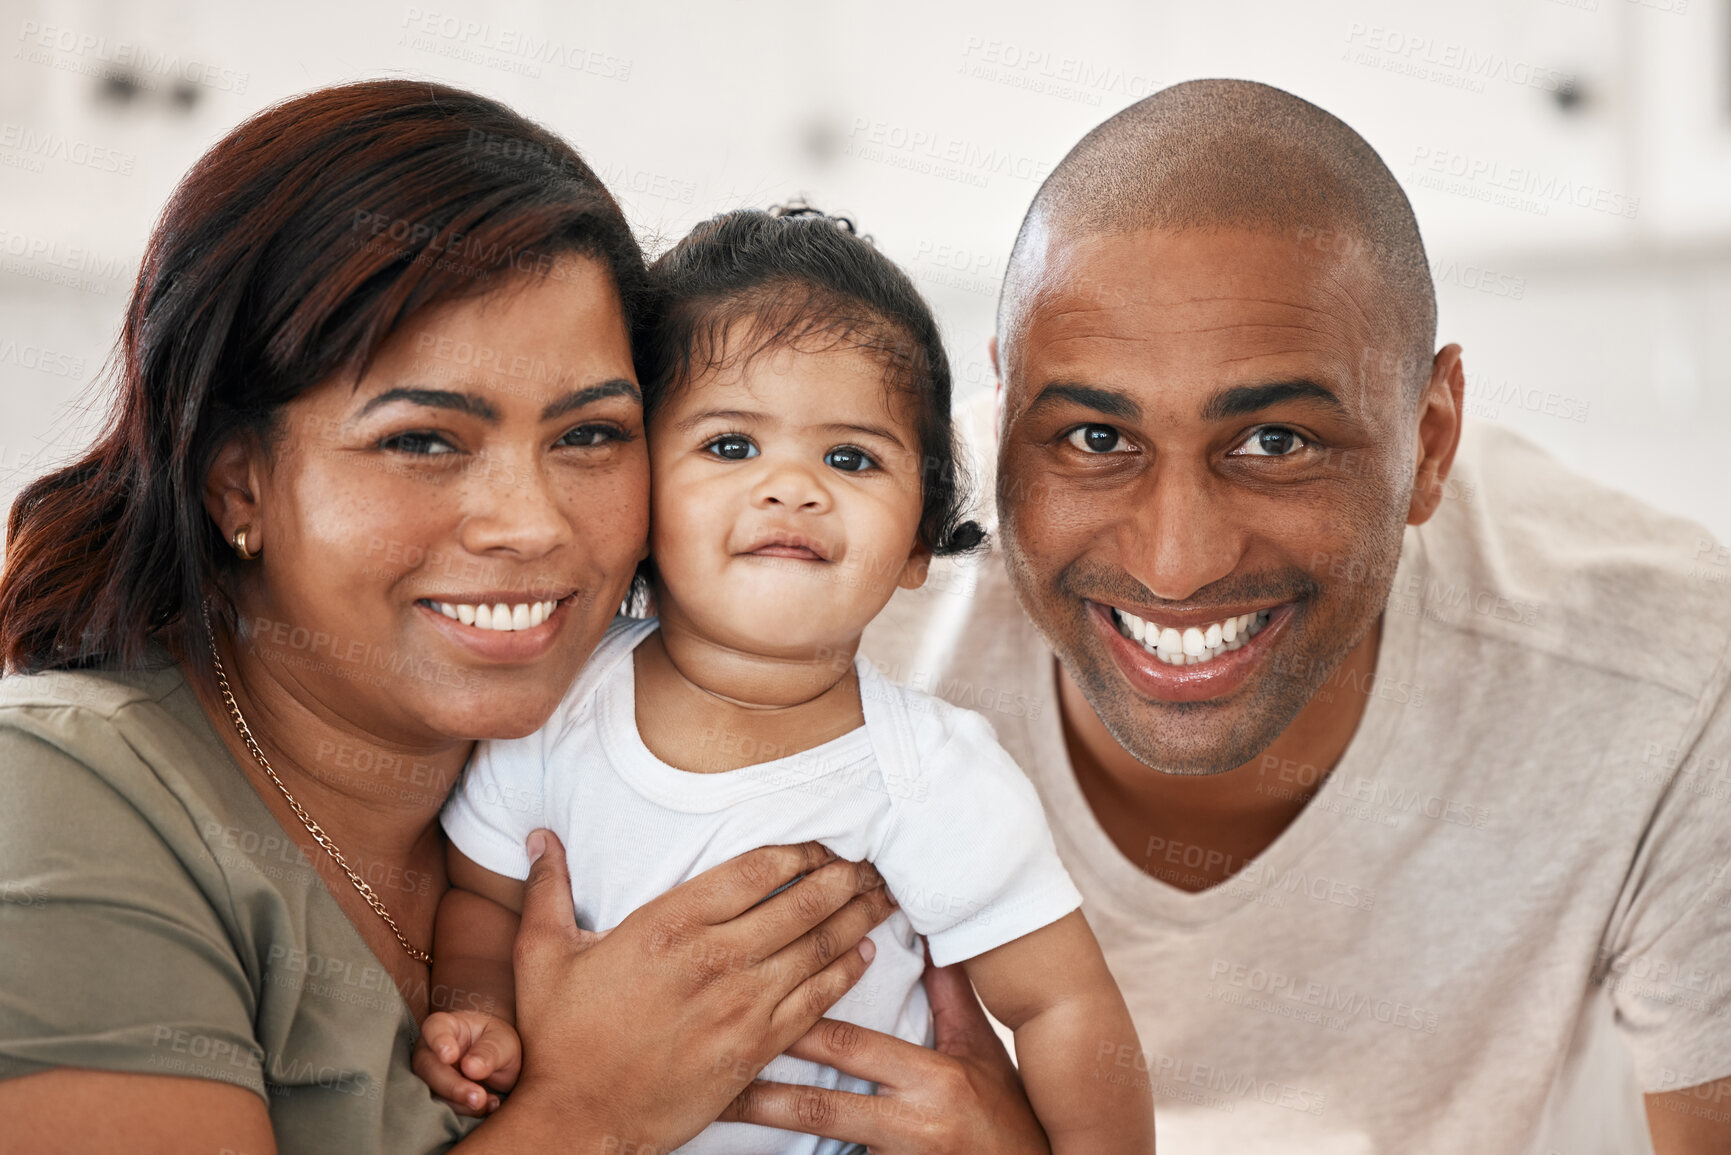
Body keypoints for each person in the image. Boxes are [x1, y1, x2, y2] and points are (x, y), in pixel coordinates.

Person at [0, 81, 1050, 1155]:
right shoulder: (59, 797)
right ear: (238, 484)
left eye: (591, 434)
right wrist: (589, 1115)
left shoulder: (626, 761)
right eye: (422, 440)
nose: (530, 525)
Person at [861, 79, 1731, 1153]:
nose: (1176, 564)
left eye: (1275, 442)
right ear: (1002, 419)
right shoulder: (829, 614)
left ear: (1431, 439)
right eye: (1094, 437)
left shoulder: (1670, 684)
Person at [414, 206, 1154, 1154]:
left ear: (918, 544)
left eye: (850, 458)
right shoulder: (556, 701)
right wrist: (474, 1014)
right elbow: (481, 899)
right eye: (730, 446)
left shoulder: (933, 778)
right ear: (637, 498)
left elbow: (1064, 1006)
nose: (792, 486)